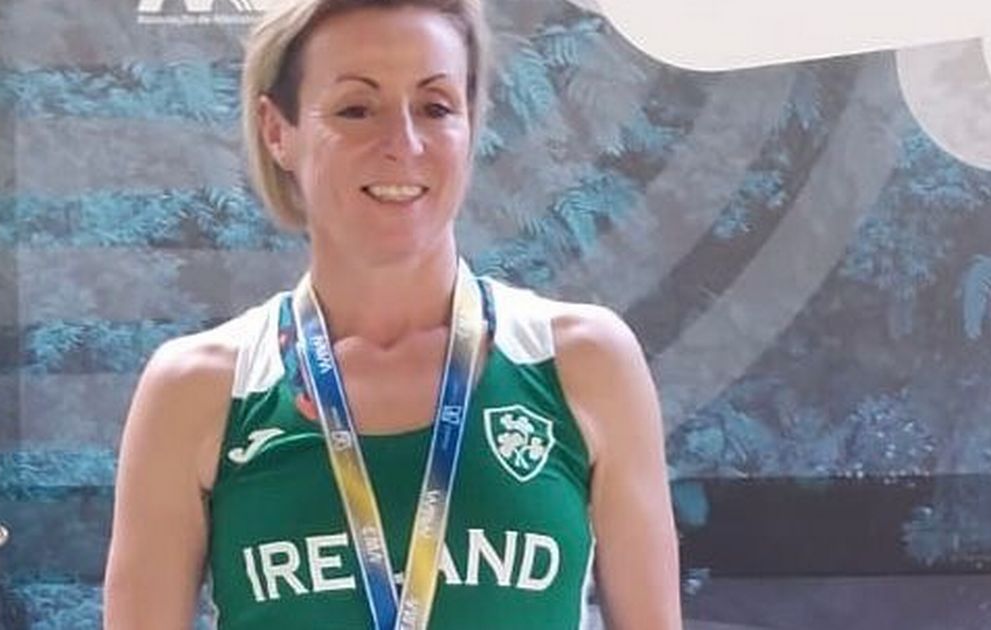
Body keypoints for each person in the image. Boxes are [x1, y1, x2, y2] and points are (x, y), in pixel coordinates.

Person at [103, 0, 681, 628]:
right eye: (356, 109)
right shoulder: (199, 389)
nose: (403, 144)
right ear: (277, 131)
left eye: (435, 107)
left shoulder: (581, 361)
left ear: (471, 124)